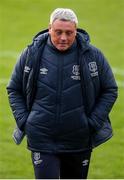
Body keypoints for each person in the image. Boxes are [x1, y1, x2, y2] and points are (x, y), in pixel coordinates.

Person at [7, 8, 118, 179]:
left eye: (69, 33)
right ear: (49, 28)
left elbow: (110, 89)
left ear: (76, 30)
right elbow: (13, 89)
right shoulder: (31, 53)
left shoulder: (93, 55)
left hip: (78, 139)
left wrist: (93, 122)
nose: (64, 38)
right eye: (58, 32)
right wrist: (25, 121)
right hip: (41, 138)